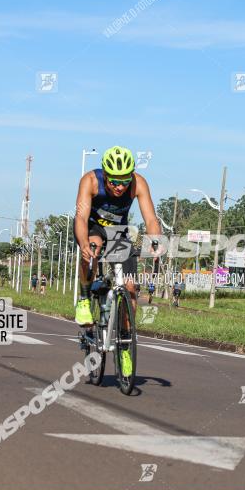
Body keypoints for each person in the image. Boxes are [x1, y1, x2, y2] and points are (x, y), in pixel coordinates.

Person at [74, 146, 161, 376]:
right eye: (114, 181)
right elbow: (81, 217)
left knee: (130, 288)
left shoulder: (138, 183)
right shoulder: (90, 181)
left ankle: (124, 347)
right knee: (93, 246)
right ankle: (84, 298)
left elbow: (151, 219)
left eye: (124, 181)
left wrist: (155, 241)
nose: (120, 187)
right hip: (92, 228)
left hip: (118, 233)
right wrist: (83, 243)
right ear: (105, 175)